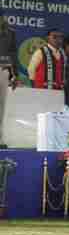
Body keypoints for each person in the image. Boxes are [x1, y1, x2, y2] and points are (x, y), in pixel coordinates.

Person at [0, 17, 17, 147]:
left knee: (1, 107)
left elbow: (13, 54)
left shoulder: (10, 33)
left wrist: (14, 74)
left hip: (3, 71)